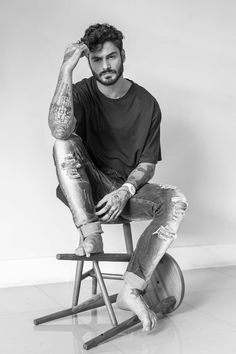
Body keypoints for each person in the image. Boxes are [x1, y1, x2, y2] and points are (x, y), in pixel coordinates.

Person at [48, 23, 188, 332]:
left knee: (176, 200)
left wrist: (124, 191)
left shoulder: (147, 103)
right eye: (96, 60)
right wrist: (65, 69)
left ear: (122, 55)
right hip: (86, 188)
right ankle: (91, 233)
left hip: (126, 191)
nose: (105, 66)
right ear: (89, 62)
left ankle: (131, 288)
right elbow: (59, 131)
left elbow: (148, 164)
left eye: (111, 57)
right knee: (62, 142)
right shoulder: (82, 92)